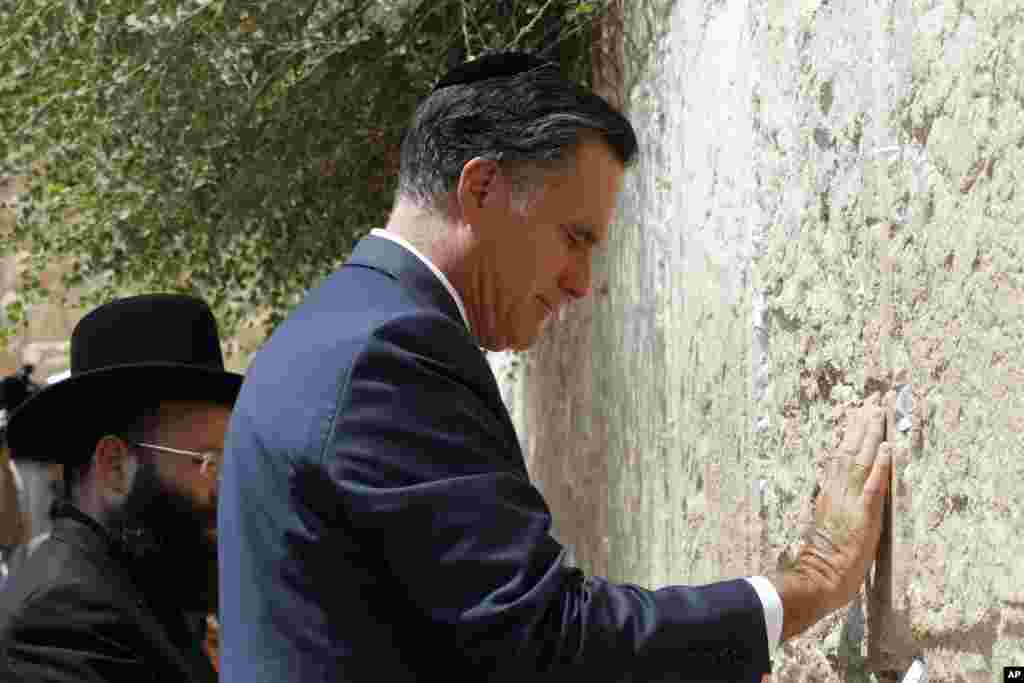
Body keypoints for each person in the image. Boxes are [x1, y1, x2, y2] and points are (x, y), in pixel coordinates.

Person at [218, 52, 892, 682]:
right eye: (575, 238)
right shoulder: (389, 354)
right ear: (480, 187)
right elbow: (546, 639)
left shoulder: (332, 329)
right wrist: (809, 583)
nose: (581, 283)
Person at [0, 294, 241, 683]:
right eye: (208, 462)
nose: (225, 489)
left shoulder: (139, 576)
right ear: (114, 466)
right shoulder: (61, 619)